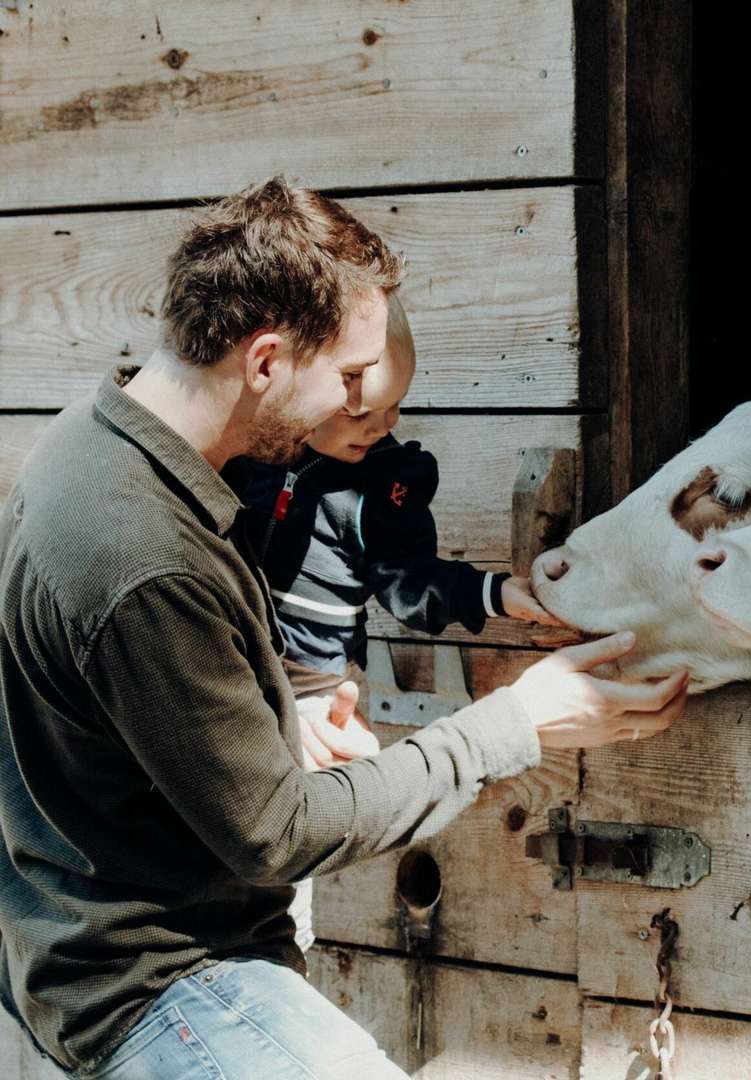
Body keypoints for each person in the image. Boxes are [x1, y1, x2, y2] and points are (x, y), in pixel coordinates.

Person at [0, 176, 688, 1078]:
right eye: (353, 376)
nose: (360, 409)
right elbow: (278, 834)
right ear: (265, 361)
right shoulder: (144, 555)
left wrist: (271, 725)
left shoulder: (91, 444)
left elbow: (106, 723)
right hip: (165, 991)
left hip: (88, 969)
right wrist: (517, 725)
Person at [240, 288, 561, 952]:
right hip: (232, 668)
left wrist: (496, 593)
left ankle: (281, 948)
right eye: (363, 407)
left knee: (286, 847)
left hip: (311, 684)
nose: (381, 424)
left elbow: (412, 584)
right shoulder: (252, 456)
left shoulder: (386, 488)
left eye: (396, 408)